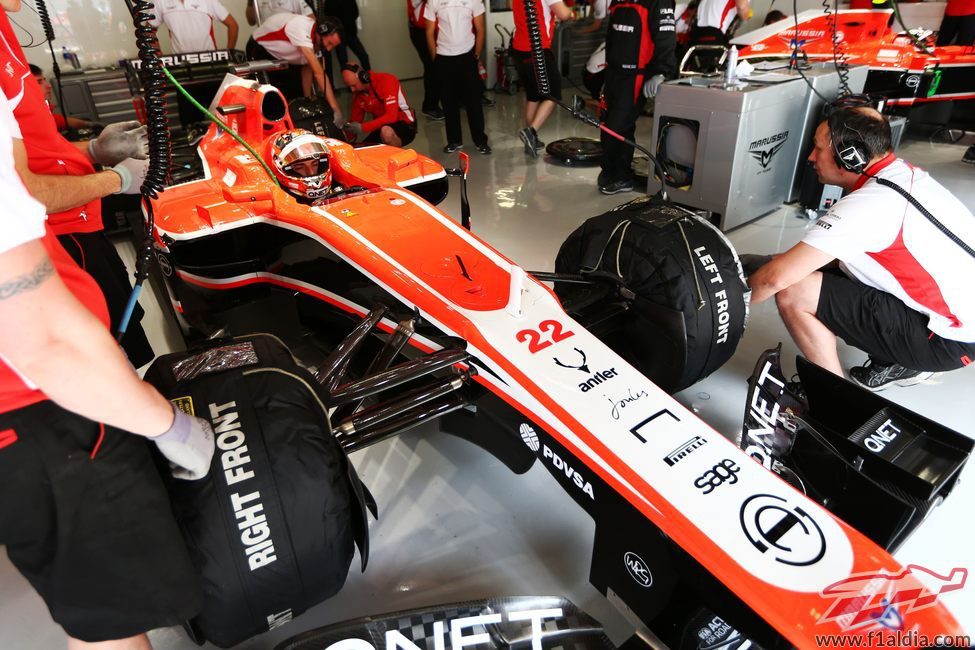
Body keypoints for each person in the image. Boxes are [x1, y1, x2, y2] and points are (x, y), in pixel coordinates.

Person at [0, 89, 214, 650]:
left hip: (51, 404)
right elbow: (44, 342)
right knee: (113, 624)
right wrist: (170, 427)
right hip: (44, 413)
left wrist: (89, 149)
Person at [748, 105, 975, 391]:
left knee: (794, 291)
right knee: (806, 270)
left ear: (850, 156)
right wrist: (772, 260)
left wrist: (726, 306)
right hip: (959, 325)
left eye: (818, 149)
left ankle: (831, 395)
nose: (811, 157)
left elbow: (774, 279)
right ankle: (896, 360)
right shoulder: (903, 175)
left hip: (946, 341)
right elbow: (848, 255)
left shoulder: (868, 204)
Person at [1, 2, 156, 367]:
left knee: (128, 329)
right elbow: (21, 193)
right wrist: (117, 179)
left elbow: (31, 147)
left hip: (83, 225)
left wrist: (91, 150)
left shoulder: (6, 30)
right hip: (61, 239)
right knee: (112, 351)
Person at [597, 0, 677, 194]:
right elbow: (612, 37)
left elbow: (666, 37)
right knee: (608, 124)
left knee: (617, 127)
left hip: (636, 76)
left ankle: (621, 176)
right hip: (614, 73)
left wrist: (661, 72)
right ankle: (613, 172)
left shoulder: (659, 2)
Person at [247, 13, 345, 122]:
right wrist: (336, 109)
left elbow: (307, 68)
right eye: (329, 43)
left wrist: (307, 99)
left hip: (284, 59)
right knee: (272, 102)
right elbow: (319, 74)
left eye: (333, 46)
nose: (329, 49)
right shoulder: (300, 27)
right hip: (260, 50)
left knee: (297, 101)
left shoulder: (317, 41)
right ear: (321, 31)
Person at [424, 0, 491, 155]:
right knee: (448, 101)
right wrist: (436, 58)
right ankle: (454, 141)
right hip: (444, 57)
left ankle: (480, 141)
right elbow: (428, 32)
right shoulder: (433, 1)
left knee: (473, 101)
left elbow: (480, 28)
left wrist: (476, 55)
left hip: (467, 55)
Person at [511, 0, 573, 158]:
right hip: (537, 50)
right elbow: (564, 14)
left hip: (519, 50)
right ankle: (530, 131)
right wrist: (571, 12)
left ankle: (531, 137)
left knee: (533, 95)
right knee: (553, 94)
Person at [341, 63, 417, 147]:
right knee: (361, 150)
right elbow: (354, 124)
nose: (352, 90)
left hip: (405, 123)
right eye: (349, 87)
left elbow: (391, 117)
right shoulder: (358, 96)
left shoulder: (387, 80)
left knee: (386, 133)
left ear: (363, 77)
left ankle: (399, 159)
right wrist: (341, 138)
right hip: (381, 127)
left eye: (353, 85)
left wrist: (362, 128)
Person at [267, 129, 347, 202]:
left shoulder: (339, 184)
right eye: (300, 167)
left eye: (315, 164)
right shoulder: (276, 198)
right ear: (282, 169)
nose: (311, 172)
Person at [149, 0, 239, 53]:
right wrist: (158, 58)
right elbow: (148, 31)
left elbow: (233, 25)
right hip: (179, 64)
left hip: (209, 61)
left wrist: (229, 54)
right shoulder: (160, 2)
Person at [28, 65, 99, 132]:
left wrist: (88, 124)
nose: (49, 86)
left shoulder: (40, 110)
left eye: (44, 80)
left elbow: (58, 121)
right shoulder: (28, 121)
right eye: (39, 82)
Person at [322, 0, 372, 89]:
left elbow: (355, 12)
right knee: (344, 63)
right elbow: (328, 18)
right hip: (338, 37)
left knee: (363, 56)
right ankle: (351, 86)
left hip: (350, 33)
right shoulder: (329, 2)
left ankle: (370, 81)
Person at [408, 0, 443, 120]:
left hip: (436, 28)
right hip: (422, 30)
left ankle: (456, 99)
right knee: (432, 66)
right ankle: (430, 106)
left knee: (443, 64)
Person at [245, 0, 311, 26]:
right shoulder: (257, 1)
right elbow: (251, 21)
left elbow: (311, 21)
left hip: (293, 43)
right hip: (268, 44)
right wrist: (250, 3)